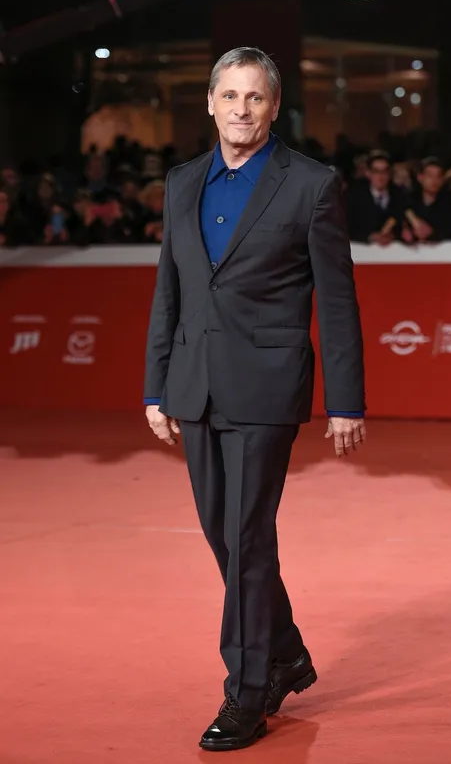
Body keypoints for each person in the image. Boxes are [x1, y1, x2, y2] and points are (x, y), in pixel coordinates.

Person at [144, 47, 366, 752]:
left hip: (267, 387)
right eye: (229, 96)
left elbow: (336, 301)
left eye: (256, 98)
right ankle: (286, 652)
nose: (241, 109)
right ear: (209, 103)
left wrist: (347, 400)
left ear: (274, 107)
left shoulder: (311, 184)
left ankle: (245, 692)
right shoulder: (181, 182)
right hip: (193, 382)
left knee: (244, 536)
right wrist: (156, 383)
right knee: (227, 537)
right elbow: (169, 292)